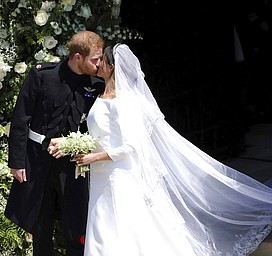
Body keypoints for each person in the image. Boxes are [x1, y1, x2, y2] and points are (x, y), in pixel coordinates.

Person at [70, 44, 272, 255]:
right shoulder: (102, 95)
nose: (98, 63)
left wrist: (95, 156)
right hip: (102, 172)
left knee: (121, 222)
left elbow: (131, 145)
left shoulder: (124, 102)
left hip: (118, 174)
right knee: (104, 223)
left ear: (111, 66)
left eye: (101, 59)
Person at [4, 30, 105, 256]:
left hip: (74, 165)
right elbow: (21, 119)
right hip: (38, 161)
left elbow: (98, 128)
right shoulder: (43, 76)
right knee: (40, 225)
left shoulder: (97, 85)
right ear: (78, 57)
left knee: (77, 226)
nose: (99, 64)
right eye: (94, 59)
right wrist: (17, 162)